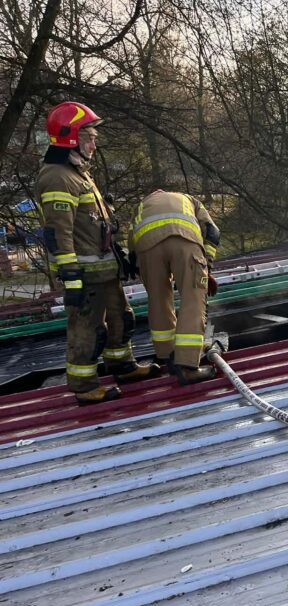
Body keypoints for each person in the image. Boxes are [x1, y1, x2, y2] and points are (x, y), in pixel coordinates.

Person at [36, 101, 161, 405]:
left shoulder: (78, 173)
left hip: (104, 269)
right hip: (84, 273)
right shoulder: (58, 176)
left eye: (94, 138)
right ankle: (83, 384)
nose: (94, 144)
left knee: (122, 319)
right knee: (88, 329)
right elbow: (59, 233)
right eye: (89, 137)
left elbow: (95, 225)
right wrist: (71, 277)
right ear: (70, 137)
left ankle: (123, 366)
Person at [129, 189, 220, 385]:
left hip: (147, 249)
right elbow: (212, 232)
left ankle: (170, 357)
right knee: (193, 299)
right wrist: (207, 267)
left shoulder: (142, 206)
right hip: (184, 239)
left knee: (158, 301)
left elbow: (132, 250)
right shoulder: (190, 200)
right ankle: (187, 365)